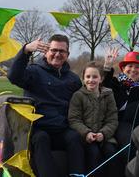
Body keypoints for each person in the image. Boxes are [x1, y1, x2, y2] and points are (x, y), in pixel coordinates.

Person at [7, 34, 84, 177]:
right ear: (46, 52)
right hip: (38, 128)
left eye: (62, 51)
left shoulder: (73, 79)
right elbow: (13, 76)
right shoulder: (33, 72)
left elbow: (85, 101)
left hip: (61, 129)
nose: (57, 54)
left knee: (74, 137)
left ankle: (77, 175)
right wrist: (26, 50)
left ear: (67, 54)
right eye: (53, 50)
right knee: (41, 138)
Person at [68, 62, 118, 177]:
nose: (91, 80)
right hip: (86, 137)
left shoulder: (108, 94)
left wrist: (103, 133)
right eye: (88, 77)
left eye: (95, 77)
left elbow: (112, 119)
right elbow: (74, 120)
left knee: (111, 153)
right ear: (83, 78)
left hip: (105, 136)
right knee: (94, 154)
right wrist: (86, 133)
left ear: (101, 79)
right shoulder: (78, 96)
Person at [102, 48, 139, 148]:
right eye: (130, 66)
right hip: (120, 123)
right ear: (123, 69)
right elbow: (104, 84)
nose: (133, 70)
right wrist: (107, 66)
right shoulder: (115, 83)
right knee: (130, 141)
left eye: (137, 67)